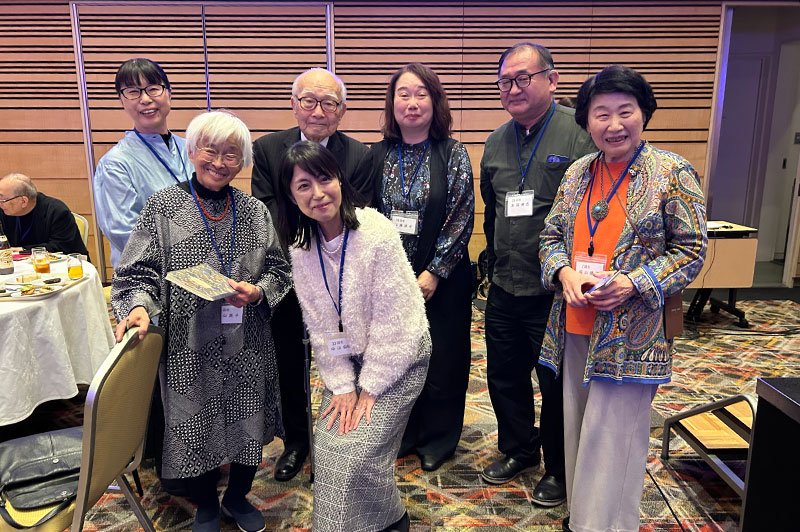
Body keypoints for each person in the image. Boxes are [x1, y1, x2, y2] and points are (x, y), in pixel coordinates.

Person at [539, 65, 707, 532]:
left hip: (633, 335)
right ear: (587, 121)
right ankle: (582, 519)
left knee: (614, 440)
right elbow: (550, 237)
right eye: (601, 114)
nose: (614, 125)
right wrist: (563, 271)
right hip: (575, 324)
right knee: (578, 429)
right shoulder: (578, 173)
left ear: (644, 114)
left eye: (625, 111)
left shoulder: (672, 172)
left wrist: (634, 282)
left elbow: (692, 249)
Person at [112, 110, 291, 532]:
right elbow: (136, 271)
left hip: (246, 340)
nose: (220, 162)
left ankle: (237, 497)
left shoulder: (254, 211)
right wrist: (137, 306)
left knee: (247, 420)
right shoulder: (164, 207)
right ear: (192, 151)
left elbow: (280, 270)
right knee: (193, 424)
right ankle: (207, 504)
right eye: (210, 150)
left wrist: (258, 291)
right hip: (187, 344)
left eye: (231, 154)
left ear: (242, 161)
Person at [275, 141, 430, 532]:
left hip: (400, 358)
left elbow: (397, 324)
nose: (318, 193)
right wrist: (343, 386)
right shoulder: (301, 249)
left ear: (339, 180)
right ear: (291, 197)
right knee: (329, 449)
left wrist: (369, 388)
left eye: (324, 179)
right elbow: (320, 325)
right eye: (304, 186)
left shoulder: (376, 233)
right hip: (349, 361)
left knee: (356, 453)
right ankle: (388, 520)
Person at [479, 42, 596, 506]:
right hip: (505, 283)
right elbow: (492, 210)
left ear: (552, 79)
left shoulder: (580, 134)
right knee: (504, 375)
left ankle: (560, 468)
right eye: (505, 81)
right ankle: (519, 449)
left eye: (523, 78)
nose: (513, 89)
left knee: (555, 383)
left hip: (556, 290)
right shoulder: (495, 141)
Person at [354, 63, 474, 471]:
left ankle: (439, 438)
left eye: (421, 93)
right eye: (403, 94)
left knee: (443, 359)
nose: (412, 102)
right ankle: (403, 431)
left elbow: (461, 216)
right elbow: (363, 215)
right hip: (390, 279)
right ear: (392, 103)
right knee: (396, 357)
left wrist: (434, 272)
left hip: (443, 278)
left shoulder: (453, 154)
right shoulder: (377, 154)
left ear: (435, 101)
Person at [251, 67, 369, 481]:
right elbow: (267, 212)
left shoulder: (360, 155)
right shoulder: (268, 149)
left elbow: (356, 212)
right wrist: (305, 248)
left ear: (342, 110)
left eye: (329, 103)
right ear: (294, 104)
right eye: (309, 101)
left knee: (345, 355)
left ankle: (347, 434)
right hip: (289, 272)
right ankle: (297, 440)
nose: (318, 111)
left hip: (340, 277)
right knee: (290, 359)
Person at [94, 58, 192, 268]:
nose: (145, 99)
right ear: (122, 100)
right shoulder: (115, 163)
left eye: (153, 89)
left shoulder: (192, 150)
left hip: (200, 270)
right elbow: (124, 233)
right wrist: (188, 258)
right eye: (133, 92)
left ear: (169, 93)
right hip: (146, 276)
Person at [0, 173, 88, 256]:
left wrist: (24, 250)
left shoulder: (57, 212)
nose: (0, 203)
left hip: (62, 264)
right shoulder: (3, 211)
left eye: (3, 200)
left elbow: (61, 247)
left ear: (23, 201)